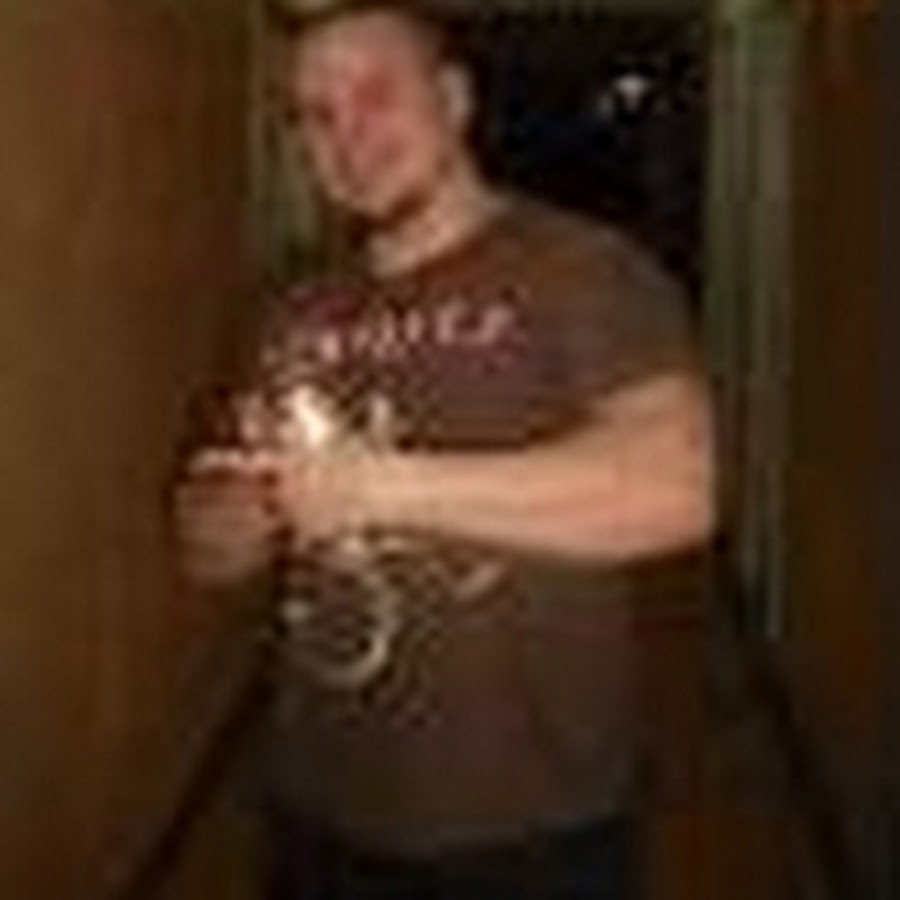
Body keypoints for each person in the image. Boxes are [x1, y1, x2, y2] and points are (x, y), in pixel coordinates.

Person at [173, 1, 716, 897]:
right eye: (315, 115)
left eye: (376, 94)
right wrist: (252, 504)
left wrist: (375, 488)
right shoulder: (291, 312)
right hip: (317, 805)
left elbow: (675, 489)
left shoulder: (584, 267)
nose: (347, 136)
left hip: (532, 826)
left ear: (455, 98)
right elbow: (204, 549)